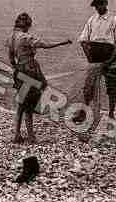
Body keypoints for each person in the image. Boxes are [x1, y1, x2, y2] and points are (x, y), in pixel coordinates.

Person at [6, 12, 72, 144]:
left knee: (21, 104)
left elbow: (11, 58)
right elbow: (45, 45)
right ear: (27, 25)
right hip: (30, 71)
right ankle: (31, 136)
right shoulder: (25, 37)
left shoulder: (11, 37)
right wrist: (63, 42)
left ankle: (17, 134)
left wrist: (16, 69)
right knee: (29, 105)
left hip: (19, 71)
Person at [75, 0, 116, 120]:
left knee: (111, 87)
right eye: (96, 6)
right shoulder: (91, 20)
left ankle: (111, 113)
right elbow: (83, 40)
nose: (99, 7)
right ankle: (83, 112)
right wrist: (89, 57)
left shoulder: (115, 20)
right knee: (88, 86)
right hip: (94, 56)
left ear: (106, 4)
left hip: (110, 56)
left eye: (101, 4)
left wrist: (109, 60)